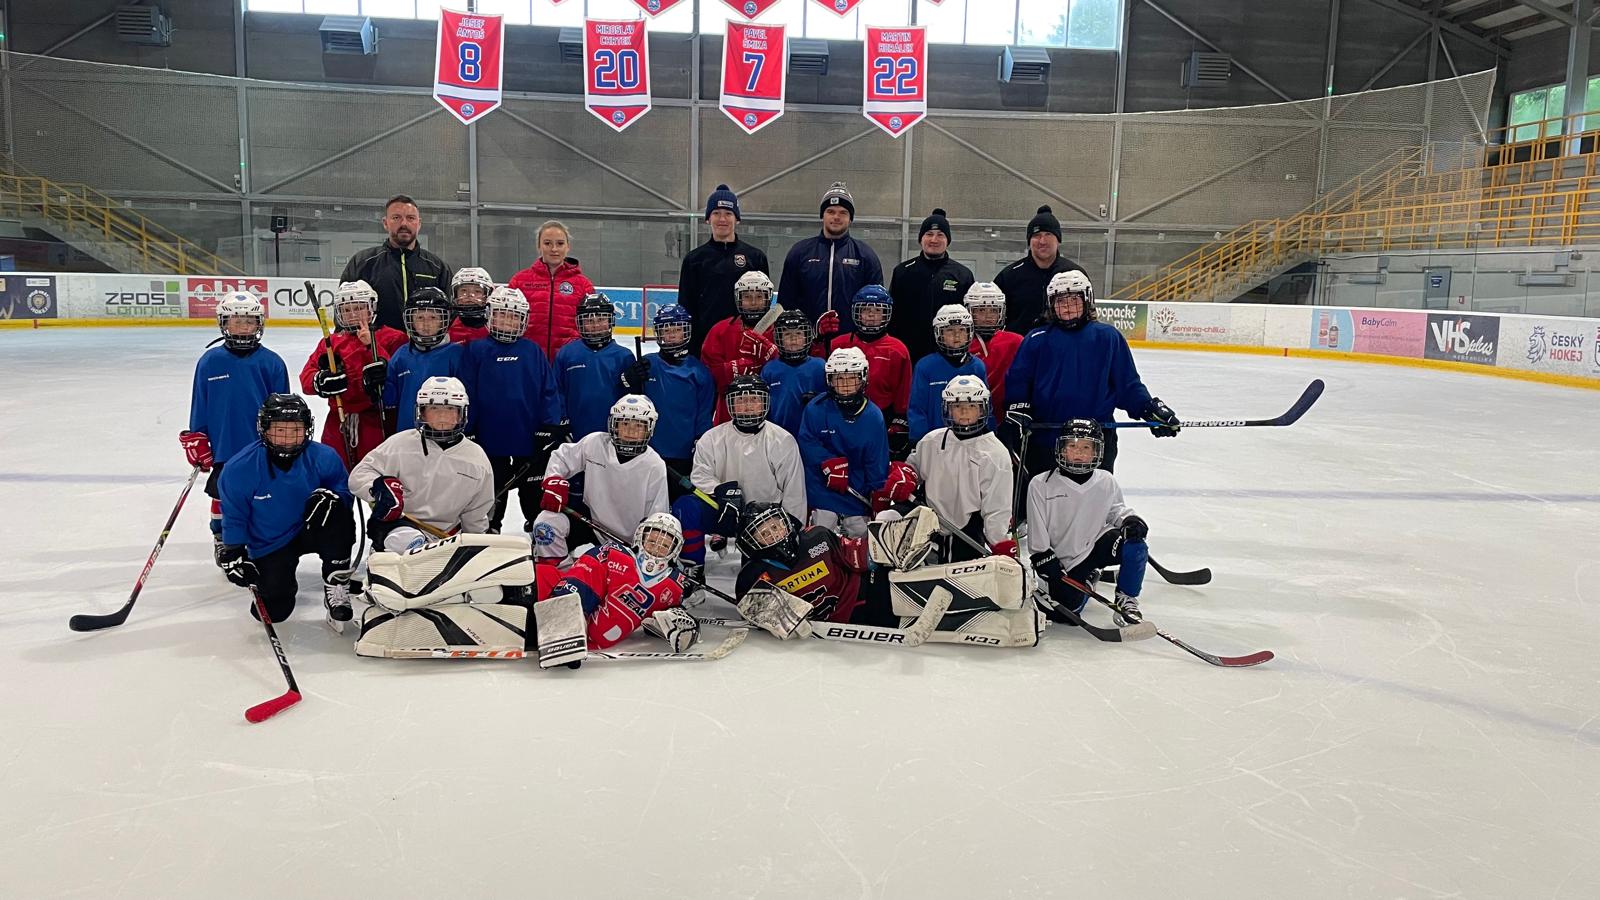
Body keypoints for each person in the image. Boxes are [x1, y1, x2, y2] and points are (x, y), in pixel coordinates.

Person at [732, 502, 1038, 648]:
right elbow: (765, 615)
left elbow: (858, 556)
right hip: (850, 620)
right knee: (935, 624)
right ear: (751, 543)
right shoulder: (752, 578)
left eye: (775, 526)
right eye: (763, 533)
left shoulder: (816, 538)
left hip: (869, 591)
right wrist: (780, 621)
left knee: (920, 588)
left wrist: (889, 545)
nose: (774, 534)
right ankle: (1013, 625)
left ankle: (1004, 582)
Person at [1003, 270, 1178, 479]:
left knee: (1095, 494)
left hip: (1096, 438)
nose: (1067, 307)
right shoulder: (1036, 339)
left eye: (1074, 300)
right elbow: (1019, 380)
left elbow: (1128, 384)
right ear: (1051, 304)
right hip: (1046, 436)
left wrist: (1149, 409)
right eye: (1061, 301)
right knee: (1043, 496)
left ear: (1087, 300)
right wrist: (1019, 408)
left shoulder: (1108, 337)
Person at [216, 394, 356, 626]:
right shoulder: (239, 468)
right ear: (264, 429)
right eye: (280, 430)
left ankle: (337, 582)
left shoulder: (324, 457)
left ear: (307, 429)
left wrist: (335, 499)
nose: (288, 438)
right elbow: (235, 515)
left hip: (311, 527)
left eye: (296, 430)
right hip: (271, 541)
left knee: (338, 513)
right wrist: (234, 551)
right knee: (275, 611)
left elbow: (345, 492)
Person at [179, 291, 290, 565]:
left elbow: (285, 410)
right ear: (224, 323)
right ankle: (222, 538)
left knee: (262, 494)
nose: (243, 327)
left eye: (249, 321)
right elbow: (200, 403)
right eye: (236, 321)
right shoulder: (210, 361)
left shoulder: (272, 362)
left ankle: (259, 537)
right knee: (222, 494)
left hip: (262, 446)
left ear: (259, 324)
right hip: (224, 445)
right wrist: (197, 436)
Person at [617, 303, 715, 574]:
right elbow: (627, 403)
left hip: (682, 458)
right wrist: (627, 380)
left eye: (677, 329)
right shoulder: (647, 365)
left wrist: (699, 447)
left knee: (681, 511)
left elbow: (703, 417)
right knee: (645, 508)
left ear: (687, 332)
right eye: (666, 329)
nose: (671, 335)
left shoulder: (699, 372)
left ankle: (689, 562)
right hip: (647, 455)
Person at [460, 286, 566, 534]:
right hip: (488, 439)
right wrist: (469, 429)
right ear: (489, 315)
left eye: (514, 316)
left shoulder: (532, 351)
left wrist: (549, 426)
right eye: (502, 314)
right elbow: (468, 392)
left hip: (528, 438)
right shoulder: (476, 350)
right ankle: (489, 531)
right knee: (491, 491)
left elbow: (548, 390)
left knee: (533, 491)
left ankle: (540, 532)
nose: (508, 321)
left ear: (524, 320)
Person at [350, 376, 495, 553]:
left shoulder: (476, 458)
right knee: (405, 540)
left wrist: (475, 547)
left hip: (446, 538)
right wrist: (378, 489)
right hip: (399, 528)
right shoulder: (400, 444)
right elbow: (359, 475)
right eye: (434, 408)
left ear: (461, 414)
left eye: (450, 408)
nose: (442, 416)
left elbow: (477, 513)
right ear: (422, 412)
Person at [1027, 418, 1150, 627]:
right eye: (1072, 446)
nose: (1079, 452)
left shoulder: (1105, 480)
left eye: (1086, 447)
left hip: (1096, 544)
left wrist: (1130, 520)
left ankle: (1126, 598)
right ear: (1062, 449)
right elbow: (1037, 529)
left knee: (1135, 546)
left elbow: (1115, 510)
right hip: (1066, 560)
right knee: (1068, 615)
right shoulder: (1041, 484)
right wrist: (1043, 557)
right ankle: (1089, 578)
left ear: (1096, 452)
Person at [530, 394, 669, 567]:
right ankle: (560, 574)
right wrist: (554, 480)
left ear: (649, 429)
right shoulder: (595, 443)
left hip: (629, 540)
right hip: (592, 521)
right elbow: (562, 457)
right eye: (625, 423)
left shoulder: (654, 465)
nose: (631, 431)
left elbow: (657, 517)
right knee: (546, 524)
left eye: (639, 425)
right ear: (614, 424)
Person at [537, 512, 697, 652]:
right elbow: (584, 575)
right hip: (570, 612)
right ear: (640, 537)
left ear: (674, 550)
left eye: (665, 545)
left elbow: (662, 620)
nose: (656, 549)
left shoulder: (674, 585)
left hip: (594, 633)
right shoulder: (614, 553)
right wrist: (567, 614)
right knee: (542, 574)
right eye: (652, 541)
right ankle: (561, 622)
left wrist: (678, 626)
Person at [898, 375, 1015, 562]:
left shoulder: (995, 454)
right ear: (948, 409)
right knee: (888, 518)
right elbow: (912, 470)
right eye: (957, 406)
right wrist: (904, 477)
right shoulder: (932, 441)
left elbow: (997, 507)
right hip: (926, 526)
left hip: (967, 533)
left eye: (972, 406)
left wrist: (999, 542)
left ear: (983, 409)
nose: (964, 412)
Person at [298, 280, 407, 467]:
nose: (353, 314)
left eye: (359, 308)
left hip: (377, 420)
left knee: (376, 471)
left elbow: (398, 375)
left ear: (371, 307)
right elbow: (306, 378)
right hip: (339, 421)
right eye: (347, 310)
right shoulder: (331, 342)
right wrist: (320, 381)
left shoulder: (394, 338)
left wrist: (372, 346)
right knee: (334, 470)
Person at [689, 375, 808, 542]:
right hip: (725, 511)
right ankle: (700, 553)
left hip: (766, 518)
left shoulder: (782, 440)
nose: (748, 406)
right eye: (740, 400)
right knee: (687, 507)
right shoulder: (711, 438)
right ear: (730, 403)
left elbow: (794, 490)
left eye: (754, 399)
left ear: (765, 402)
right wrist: (720, 491)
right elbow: (700, 475)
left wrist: (791, 527)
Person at [796, 347, 887, 537]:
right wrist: (827, 461)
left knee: (861, 538)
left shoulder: (873, 416)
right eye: (839, 378)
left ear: (863, 378)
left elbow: (876, 461)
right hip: (822, 491)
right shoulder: (815, 408)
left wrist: (879, 493)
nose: (845, 384)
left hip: (856, 494)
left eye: (851, 378)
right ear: (830, 380)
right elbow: (806, 441)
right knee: (820, 536)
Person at [677, 184, 770, 356]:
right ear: (707, 219)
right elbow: (686, 307)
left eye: (728, 213)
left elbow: (763, 305)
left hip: (746, 345)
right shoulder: (694, 259)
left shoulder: (755, 257)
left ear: (737, 219)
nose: (722, 219)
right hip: (705, 345)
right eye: (716, 213)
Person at [819, 285, 912, 457]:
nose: (871, 315)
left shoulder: (898, 349)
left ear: (886, 314)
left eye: (877, 310)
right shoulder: (837, 344)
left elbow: (903, 392)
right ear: (857, 313)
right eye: (866, 309)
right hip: (839, 415)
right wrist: (818, 341)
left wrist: (900, 420)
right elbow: (819, 372)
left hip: (881, 418)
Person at [339, 194, 453, 331]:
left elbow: (451, 315)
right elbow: (344, 310)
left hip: (425, 345)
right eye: (396, 218)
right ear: (385, 223)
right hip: (376, 344)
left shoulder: (438, 267)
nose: (404, 223)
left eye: (410, 218)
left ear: (419, 223)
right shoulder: (362, 263)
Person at [777, 181, 883, 326]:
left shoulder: (866, 255)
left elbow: (876, 304)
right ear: (823, 215)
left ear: (850, 218)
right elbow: (786, 302)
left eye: (843, 212)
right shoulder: (799, 253)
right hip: (808, 337)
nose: (836, 217)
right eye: (831, 211)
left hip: (850, 338)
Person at [888, 208, 975, 363]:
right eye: (929, 234)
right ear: (921, 239)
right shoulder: (903, 272)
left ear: (948, 240)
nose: (934, 239)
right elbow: (893, 318)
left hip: (949, 357)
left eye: (940, 235)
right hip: (909, 355)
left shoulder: (962, 275)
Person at [509, 220, 595, 361]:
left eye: (560, 243)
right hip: (528, 359)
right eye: (547, 243)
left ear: (568, 246)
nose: (554, 249)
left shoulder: (583, 285)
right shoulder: (519, 281)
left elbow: (591, 326)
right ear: (539, 246)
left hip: (568, 361)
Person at [992, 205, 1086, 335]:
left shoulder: (1074, 274)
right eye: (1036, 235)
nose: (1042, 241)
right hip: (1021, 346)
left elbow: (1088, 316)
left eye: (1048, 234)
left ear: (1058, 239)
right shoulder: (1009, 276)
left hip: (1063, 345)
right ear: (1029, 241)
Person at [700, 270, 778, 425]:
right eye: (747, 297)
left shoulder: (780, 331)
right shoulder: (720, 330)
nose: (754, 303)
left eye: (759, 297)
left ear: (768, 298)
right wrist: (737, 369)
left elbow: (792, 373)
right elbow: (708, 377)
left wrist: (774, 357)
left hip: (773, 412)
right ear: (739, 299)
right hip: (729, 413)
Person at [384, 286, 466, 432]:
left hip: (446, 434)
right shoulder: (401, 355)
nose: (426, 324)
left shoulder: (457, 354)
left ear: (444, 320)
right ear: (410, 320)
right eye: (420, 317)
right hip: (407, 434)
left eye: (433, 317)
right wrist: (377, 386)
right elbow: (390, 401)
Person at [554, 293, 634, 440]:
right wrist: (561, 420)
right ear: (580, 322)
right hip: (574, 432)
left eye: (601, 319)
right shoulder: (566, 354)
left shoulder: (624, 356)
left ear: (611, 321)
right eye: (589, 320)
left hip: (612, 434)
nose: (596, 325)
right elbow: (557, 391)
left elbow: (630, 397)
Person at [907, 304, 988, 444]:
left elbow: (986, 407)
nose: (957, 335)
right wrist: (920, 442)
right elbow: (917, 409)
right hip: (935, 442)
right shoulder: (925, 366)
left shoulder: (978, 367)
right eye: (950, 330)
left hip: (972, 440)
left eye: (962, 330)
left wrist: (987, 436)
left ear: (969, 332)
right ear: (939, 334)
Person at [761, 309, 827, 438]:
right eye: (787, 334)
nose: (793, 338)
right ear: (779, 338)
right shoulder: (769, 369)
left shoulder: (820, 366)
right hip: (778, 436)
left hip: (812, 434)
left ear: (807, 336)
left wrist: (818, 399)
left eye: (798, 333)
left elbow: (831, 401)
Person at [964, 282, 1022, 415]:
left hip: (1007, 414)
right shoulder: (961, 343)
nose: (988, 316)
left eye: (994, 310)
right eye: (981, 310)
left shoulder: (1016, 341)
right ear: (969, 311)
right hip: (969, 415)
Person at [447, 267, 495, 344]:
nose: (470, 295)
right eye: (464, 290)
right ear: (455, 294)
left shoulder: (496, 325)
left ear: (488, 295)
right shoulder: (446, 324)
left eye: (477, 291)